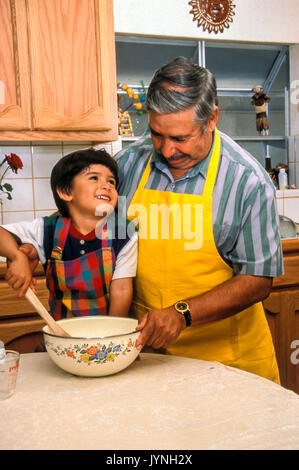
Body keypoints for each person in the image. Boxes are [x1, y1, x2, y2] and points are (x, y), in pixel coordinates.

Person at [113, 56, 283, 384]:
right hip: (148, 361)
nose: (165, 150)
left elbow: (259, 278)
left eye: (180, 137)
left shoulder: (247, 181)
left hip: (230, 366)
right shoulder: (129, 165)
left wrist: (182, 314)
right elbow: (92, 227)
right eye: (157, 134)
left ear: (212, 119)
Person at [0, 148, 137, 320]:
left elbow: (122, 288)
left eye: (112, 182)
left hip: (108, 335)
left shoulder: (124, 233)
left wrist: (114, 335)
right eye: (94, 178)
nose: (106, 186)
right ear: (66, 192)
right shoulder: (47, 229)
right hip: (61, 336)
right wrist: (16, 255)